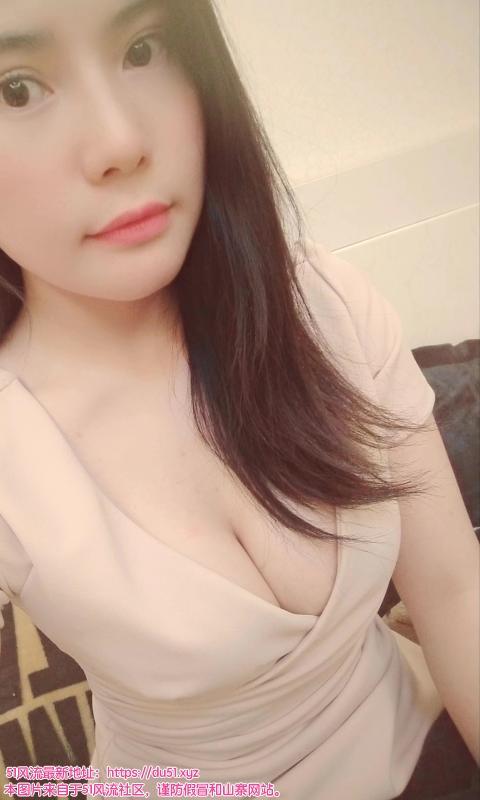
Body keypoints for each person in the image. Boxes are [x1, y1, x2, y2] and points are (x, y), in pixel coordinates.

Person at [0, 2, 478, 799]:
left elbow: (456, 595)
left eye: (144, 47)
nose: (120, 141)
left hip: (423, 740)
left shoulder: (323, 302)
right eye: (16, 89)